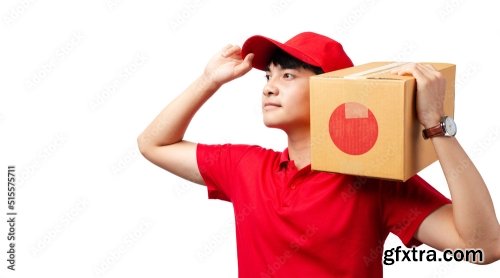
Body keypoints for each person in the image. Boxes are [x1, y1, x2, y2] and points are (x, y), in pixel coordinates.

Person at [137, 32, 500, 277]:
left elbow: (481, 247)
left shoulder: (374, 179)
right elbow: (155, 144)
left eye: (289, 76)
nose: (269, 88)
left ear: (334, 91)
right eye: (267, 78)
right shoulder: (246, 167)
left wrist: (436, 124)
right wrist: (209, 79)